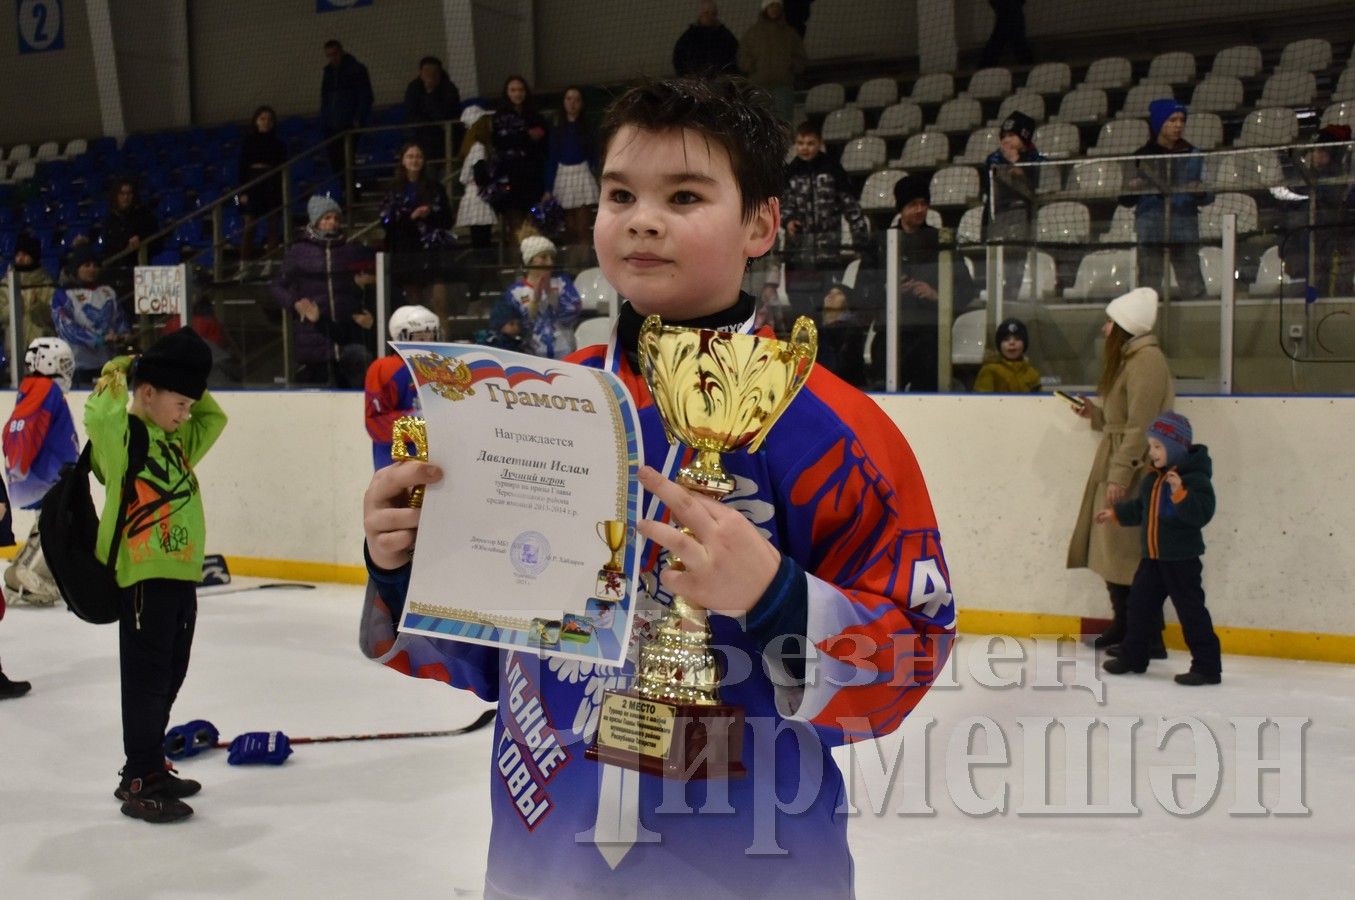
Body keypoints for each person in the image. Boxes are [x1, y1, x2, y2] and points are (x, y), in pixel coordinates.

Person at [359, 76, 955, 898]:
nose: (641, 218)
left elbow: (912, 647)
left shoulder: (832, 429)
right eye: (618, 194)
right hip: (546, 853)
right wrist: (406, 562)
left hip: (755, 860)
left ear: (760, 224)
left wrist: (776, 595)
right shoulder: (527, 403)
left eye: (683, 195)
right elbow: (484, 653)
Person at [87, 329, 226, 823]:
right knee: (146, 680)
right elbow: (99, 416)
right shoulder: (127, 439)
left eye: (189, 402)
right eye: (179, 402)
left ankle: (149, 764)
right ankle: (140, 776)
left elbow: (214, 416)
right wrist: (126, 369)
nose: (188, 412)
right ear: (146, 394)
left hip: (180, 576)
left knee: (171, 671)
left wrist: (184, 374)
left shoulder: (177, 438)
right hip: (144, 576)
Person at [1067, 287, 1174, 656]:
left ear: (1125, 326)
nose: (1104, 329)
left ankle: (1143, 634)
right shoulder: (1132, 360)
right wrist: (1095, 416)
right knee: (1113, 550)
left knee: (1128, 552)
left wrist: (1120, 475)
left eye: (1110, 322)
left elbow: (1142, 425)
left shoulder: (1147, 361)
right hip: (1118, 459)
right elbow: (1122, 419)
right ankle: (1127, 625)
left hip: (1133, 467)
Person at [1099, 411, 1221, 685]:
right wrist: (1116, 514)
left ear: (1176, 447)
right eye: (1151, 446)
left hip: (1181, 561)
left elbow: (1201, 514)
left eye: (1158, 446)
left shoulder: (1195, 479)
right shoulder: (1152, 480)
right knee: (1139, 607)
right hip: (1152, 558)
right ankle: (1134, 656)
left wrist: (1181, 494)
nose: (1152, 452)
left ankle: (1207, 666)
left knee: (1191, 612)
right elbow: (1141, 509)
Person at [861, 173, 977, 391]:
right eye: (913, 204)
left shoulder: (941, 239)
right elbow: (863, 287)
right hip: (890, 333)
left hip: (929, 333)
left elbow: (967, 289)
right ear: (901, 207)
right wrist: (889, 289)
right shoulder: (880, 242)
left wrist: (938, 296)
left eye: (924, 203)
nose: (920, 209)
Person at [2, 338, 79, 607]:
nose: (69, 370)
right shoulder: (43, 388)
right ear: (48, 363)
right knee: (54, 524)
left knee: (59, 525)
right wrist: (19, 469)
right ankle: (20, 574)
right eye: (64, 364)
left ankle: (33, 572)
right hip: (47, 478)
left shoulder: (37, 388)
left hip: (49, 475)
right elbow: (23, 427)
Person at [270, 196, 376, 387]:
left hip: (347, 334)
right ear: (316, 221)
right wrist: (296, 304)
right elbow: (278, 286)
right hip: (313, 334)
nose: (332, 222)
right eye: (327, 218)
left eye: (336, 218)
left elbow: (373, 276)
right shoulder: (299, 251)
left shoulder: (350, 250)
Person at [1119, 99, 1210, 300]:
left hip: (1184, 228)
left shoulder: (1193, 154)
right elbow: (1124, 198)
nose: (1178, 125)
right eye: (1172, 120)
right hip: (1151, 229)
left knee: (1192, 282)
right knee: (1148, 287)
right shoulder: (1140, 157)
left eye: (1182, 120)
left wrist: (1200, 191)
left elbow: (1208, 193)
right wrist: (1132, 188)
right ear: (1159, 123)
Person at [781, 120, 870, 319]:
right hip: (798, 256)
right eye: (800, 143)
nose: (804, 148)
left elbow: (851, 206)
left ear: (820, 143)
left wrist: (861, 241)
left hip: (828, 255)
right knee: (800, 312)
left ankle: (827, 348)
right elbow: (781, 205)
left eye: (810, 143)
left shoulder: (833, 169)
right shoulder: (790, 171)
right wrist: (787, 221)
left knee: (829, 311)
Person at [1274, 123, 1354, 298]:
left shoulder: (1338, 178)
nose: (1317, 156)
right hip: (1305, 244)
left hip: (1328, 242)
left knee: (1325, 287)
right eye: (1315, 151)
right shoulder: (1308, 176)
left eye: (1322, 152)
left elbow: (1330, 200)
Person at [379, 142, 457, 317]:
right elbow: (386, 221)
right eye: (410, 156)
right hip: (406, 251)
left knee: (439, 302)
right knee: (414, 306)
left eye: (418, 156)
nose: (415, 160)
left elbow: (448, 220)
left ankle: (444, 341)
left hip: (432, 253)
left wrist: (428, 214)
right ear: (403, 161)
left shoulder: (436, 188)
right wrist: (411, 217)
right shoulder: (393, 189)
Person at [364, 305, 441, 471]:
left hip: (436, 457)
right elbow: (375, 423)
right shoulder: (385, 368)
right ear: (401, 337)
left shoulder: (442, 367)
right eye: (420, 338)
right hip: (396, 459)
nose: (427, 343)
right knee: (401, 496)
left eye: (431, 337)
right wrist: (418, 423)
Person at [982, 112, 1043, 306]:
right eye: (1004, 136)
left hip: (1022, 220)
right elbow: (990, 182)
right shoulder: (993, 158)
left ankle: (1010, 303)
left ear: (1024, 138)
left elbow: (1032, 186)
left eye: (1012, 135)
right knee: (995, 265)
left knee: (1016, 267)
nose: (1006, 140)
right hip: (997, 217)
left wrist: (1016, 163)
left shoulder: (1036, 158)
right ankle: (995, 304)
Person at [52, 245, 130, 388]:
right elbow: (66, 328)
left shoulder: (108, 291)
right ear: (76, 268)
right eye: (86, 265)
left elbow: (120, 318)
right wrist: (97, 339)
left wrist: (123, 334)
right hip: (77, 366)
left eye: (95, 265)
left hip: (107, 362)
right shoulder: (64, 294)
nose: (92, 269)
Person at [500, 228, 582, 359]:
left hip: (565, 352)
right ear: (530, 261)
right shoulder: (515, 291)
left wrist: (551, 295)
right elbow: (517, 327)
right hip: (532, 356)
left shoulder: (562, 282)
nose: (550, 262)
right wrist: (535, 301)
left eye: (551, 257)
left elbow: (572, 313)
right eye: (544, 257)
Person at [543, 87, 600, 265]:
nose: (572, 103)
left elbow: (595, 157)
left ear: (582, 104)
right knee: (570, 230)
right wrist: (548, 189)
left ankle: (585, 267)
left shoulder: (588, 127)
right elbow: (551, 158)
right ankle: (573, 268)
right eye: (569, 99)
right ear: (564, 102)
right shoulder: (557, 129)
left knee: (583, 228)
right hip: (563, 177)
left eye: (576, 99)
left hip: (582, 174)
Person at [491, 76, 550, 242]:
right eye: (513, 90)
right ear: (507, 93)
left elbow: (543, 143)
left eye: (521, 90)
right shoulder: (499, 117)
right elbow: (500, 142)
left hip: (532, 180)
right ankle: (516, 265)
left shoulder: (536, 116)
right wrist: (526, 135)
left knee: (533, 224)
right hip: (509, 181)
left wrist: (519, 137)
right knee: (514, 226)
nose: (517, 93)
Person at [238, 105, 288, 276]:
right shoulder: (248, 141)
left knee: (272, 226)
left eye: (269, 119)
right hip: (253, 184)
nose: (265, 122)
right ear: (256, 121)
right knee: (249, 225)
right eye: (262, 118)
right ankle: (244, 265)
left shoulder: (279, 144)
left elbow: (282, 167)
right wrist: (242, 192)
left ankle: (270, 264)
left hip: (271, 184)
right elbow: (242, 167)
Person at [738, 0, 806, 123]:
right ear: (765, 9)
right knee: (759, 121)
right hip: (758, 86)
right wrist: (751, 65)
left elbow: (801, 57)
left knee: (783, 122)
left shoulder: (790, 34)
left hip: (783, 87)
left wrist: (791, 65)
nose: (774, 9)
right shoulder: (752, 34)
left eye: (777, 6)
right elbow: (742, 58)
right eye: (771, 6)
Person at [320, 40, 375, 186]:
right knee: (336, 162)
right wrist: (324, 120)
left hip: (348, 125)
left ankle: (351, 192)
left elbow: (366, 96)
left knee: (347, 160)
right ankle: (344, 191)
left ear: (341, 51)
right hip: (331, 126)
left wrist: (358, 118)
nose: (333, 58)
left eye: (335, 54)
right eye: (329, 55)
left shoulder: (356, 69)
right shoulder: (328, 73)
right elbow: (324, 99)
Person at [99, 178, 159, 300]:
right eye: (122, 193)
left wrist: (141, 240)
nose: (126, 197)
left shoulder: (144, 216)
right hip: (115, 272)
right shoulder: (109, 219)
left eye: (129, 193)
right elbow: (108, 246)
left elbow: (156, 240)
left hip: (137, 270)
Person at [1, 232, 57, 348]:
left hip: (42, 350)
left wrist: (37, 305)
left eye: (25, 254)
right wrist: (15, 305)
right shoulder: (5, 284)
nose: (20, 258)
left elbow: (54, 318)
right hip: (14, 350)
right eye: (18, 254)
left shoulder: (47, 285)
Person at [455, 106, 498, 251]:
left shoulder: (472, 146)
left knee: (478, 241)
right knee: (482, 242)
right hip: (479, 197)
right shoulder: (479, 147)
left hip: (473, 195)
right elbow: (480, 175)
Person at [403, 55, 461, 164]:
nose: (431, 76)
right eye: (427, 72)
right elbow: (411, 113)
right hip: (423, 136)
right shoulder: (413, 88)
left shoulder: (449, 89)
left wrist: (430, 93)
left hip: (445, 136)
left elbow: (446, 115)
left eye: (434, 72)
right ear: (420, 73)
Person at [815, 280, 867, 387]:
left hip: (844, 386)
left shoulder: (850, 329)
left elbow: (842, 365)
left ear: (846, 301)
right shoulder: (818, 328)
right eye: (829, 293)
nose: (831, 296)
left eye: (838, 293)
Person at [672, 1, 739, 77]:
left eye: (713, 13)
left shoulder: (726, 37)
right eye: (706, 13)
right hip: (694, 82)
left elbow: (735, 59)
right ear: (700, 14)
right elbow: (678, 59)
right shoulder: (688, 37)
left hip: (720, 82)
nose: (709, 16)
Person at [974, 317, 1041, 392]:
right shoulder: (990, 370)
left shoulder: (1031, 373)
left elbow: (1038, 401)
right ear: (999, 345)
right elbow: (982, 400)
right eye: (1006, 339)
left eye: (1017, 339)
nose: (1012, 343)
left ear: (1024, 344)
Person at [979, 0, 1033, 67]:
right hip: (1009, 8)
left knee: (1006, 38)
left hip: (1008, 8)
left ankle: (985, 66)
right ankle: (1028, 64)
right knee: (1016, 39)